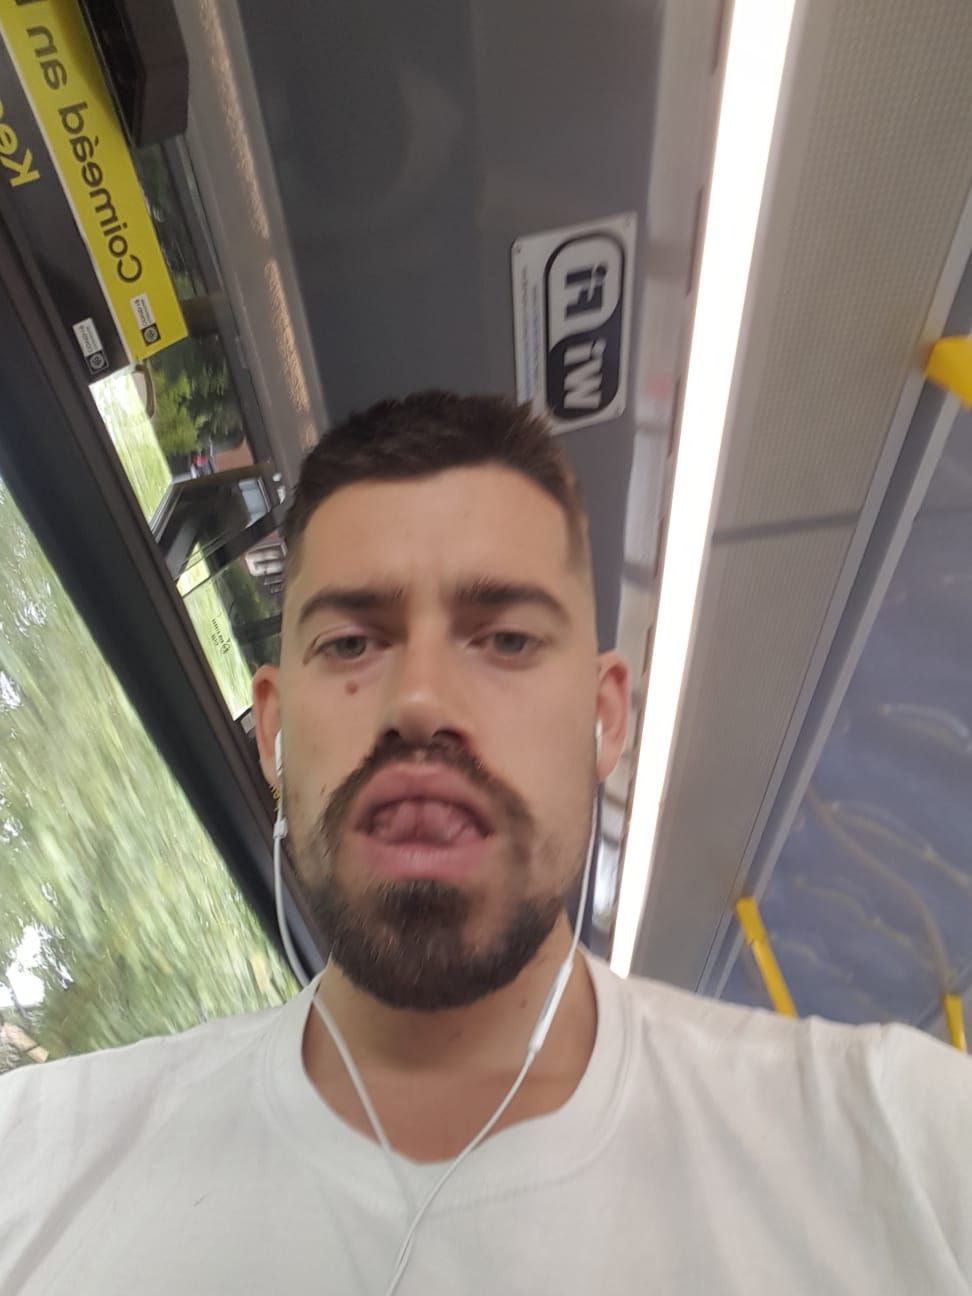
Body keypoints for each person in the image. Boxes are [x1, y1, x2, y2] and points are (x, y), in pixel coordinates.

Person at [0, 391, 969, 1295]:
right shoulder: (34, 1172)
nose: (420, 701)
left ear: (604, 718)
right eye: (350, 643)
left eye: (505, 639)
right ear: (274, 727)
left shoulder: (908, 1151)